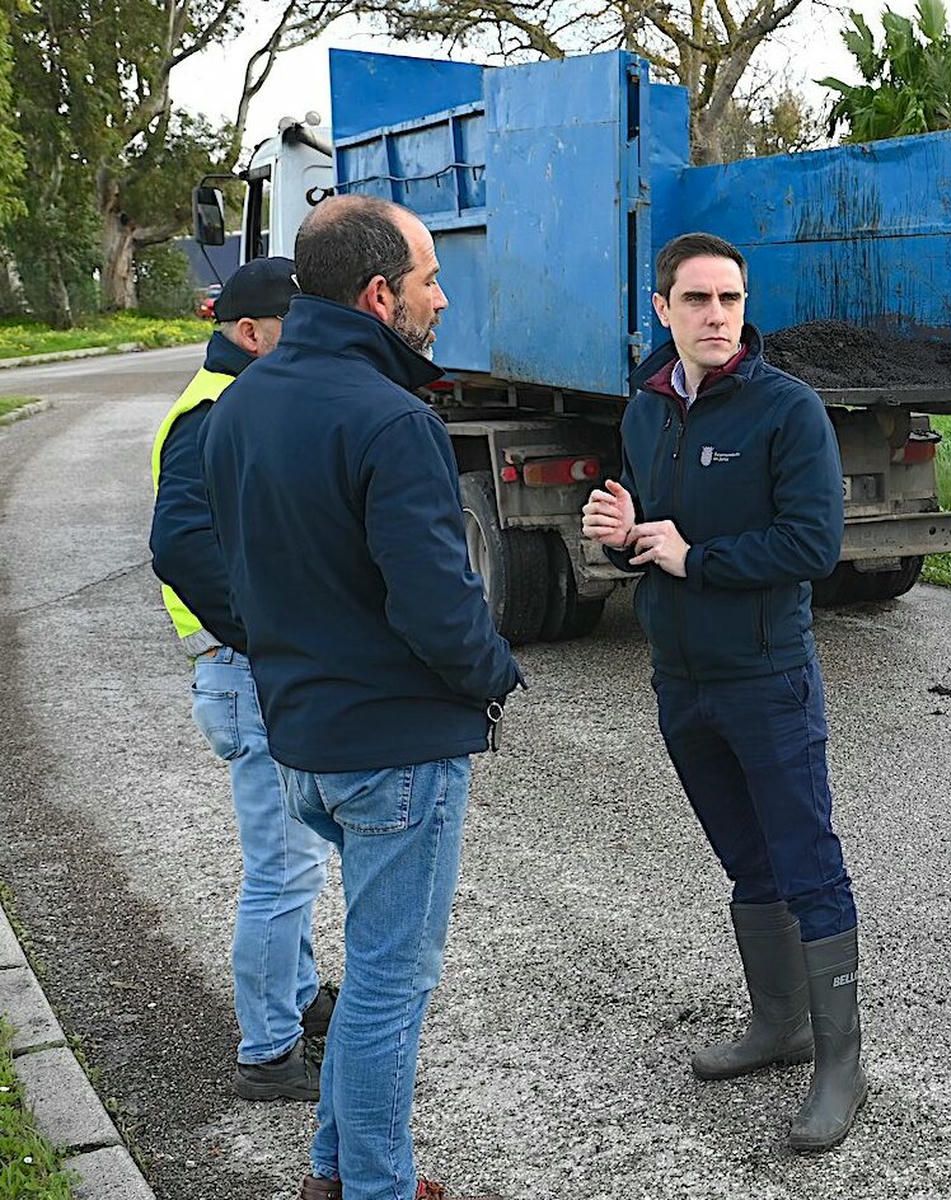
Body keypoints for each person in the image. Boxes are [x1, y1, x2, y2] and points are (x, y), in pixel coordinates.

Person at [201, 194, 521, 1200]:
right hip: (392, 752)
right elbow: (437, 608)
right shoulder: (392, 418)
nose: (441, 296)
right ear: (379, 294)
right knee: (390, 984)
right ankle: (376, 1189)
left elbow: (229, 573)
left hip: (300, 740)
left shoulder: (243, 400)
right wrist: (495, 676)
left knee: (374, 972)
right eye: (430, 279)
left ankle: (336, 1174)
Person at [580, 231, 861, 1153]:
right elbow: (654, 532)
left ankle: (839, 1065)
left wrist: (695, 559)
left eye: (728, 300)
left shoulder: (787, 412)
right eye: (695, 300)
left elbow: (812, 546)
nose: (714, 316)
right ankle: (777, 1026)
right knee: (747, 861)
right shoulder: (646, 409)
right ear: (661, 310)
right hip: (681, 678)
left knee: (807, 862)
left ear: (744, 309)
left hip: (766, 676)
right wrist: (620, 531)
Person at [149, 256, 335, 1102]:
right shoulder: (214, 412)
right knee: (283, 868)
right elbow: (180, 543)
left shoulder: (239, 398)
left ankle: (293, 1000)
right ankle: (267, 1051)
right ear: (249, 333)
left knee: (292, 857)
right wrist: (266, 635)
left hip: (250, 667)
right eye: (294, 332)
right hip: (246, 669)